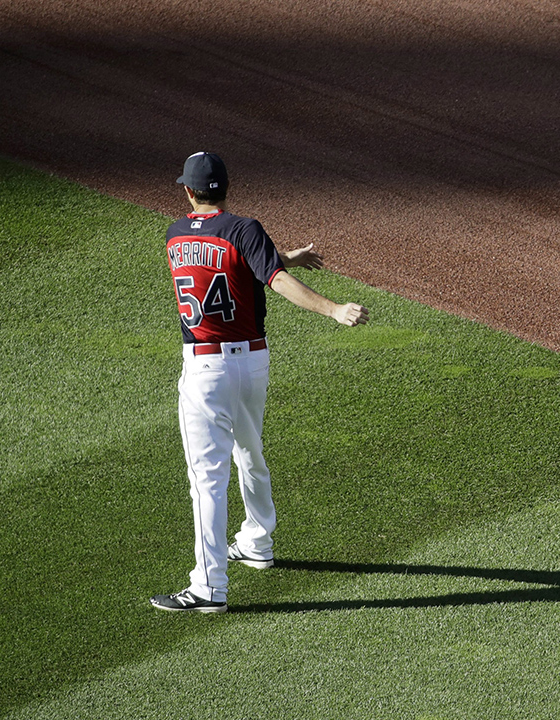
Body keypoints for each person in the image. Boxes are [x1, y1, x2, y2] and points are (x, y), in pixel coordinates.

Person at [151, 151, 369, 613]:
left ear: (188, 191)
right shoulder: (246, 230)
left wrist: (283, 263)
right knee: (249, 448)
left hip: (204, 370)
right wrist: (329, 305)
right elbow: (266, 277)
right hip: (251, 364)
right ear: (225, 188)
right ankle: (257, 540)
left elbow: (223, 272)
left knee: (206, 479)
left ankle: (209, 588)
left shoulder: (173, 236)